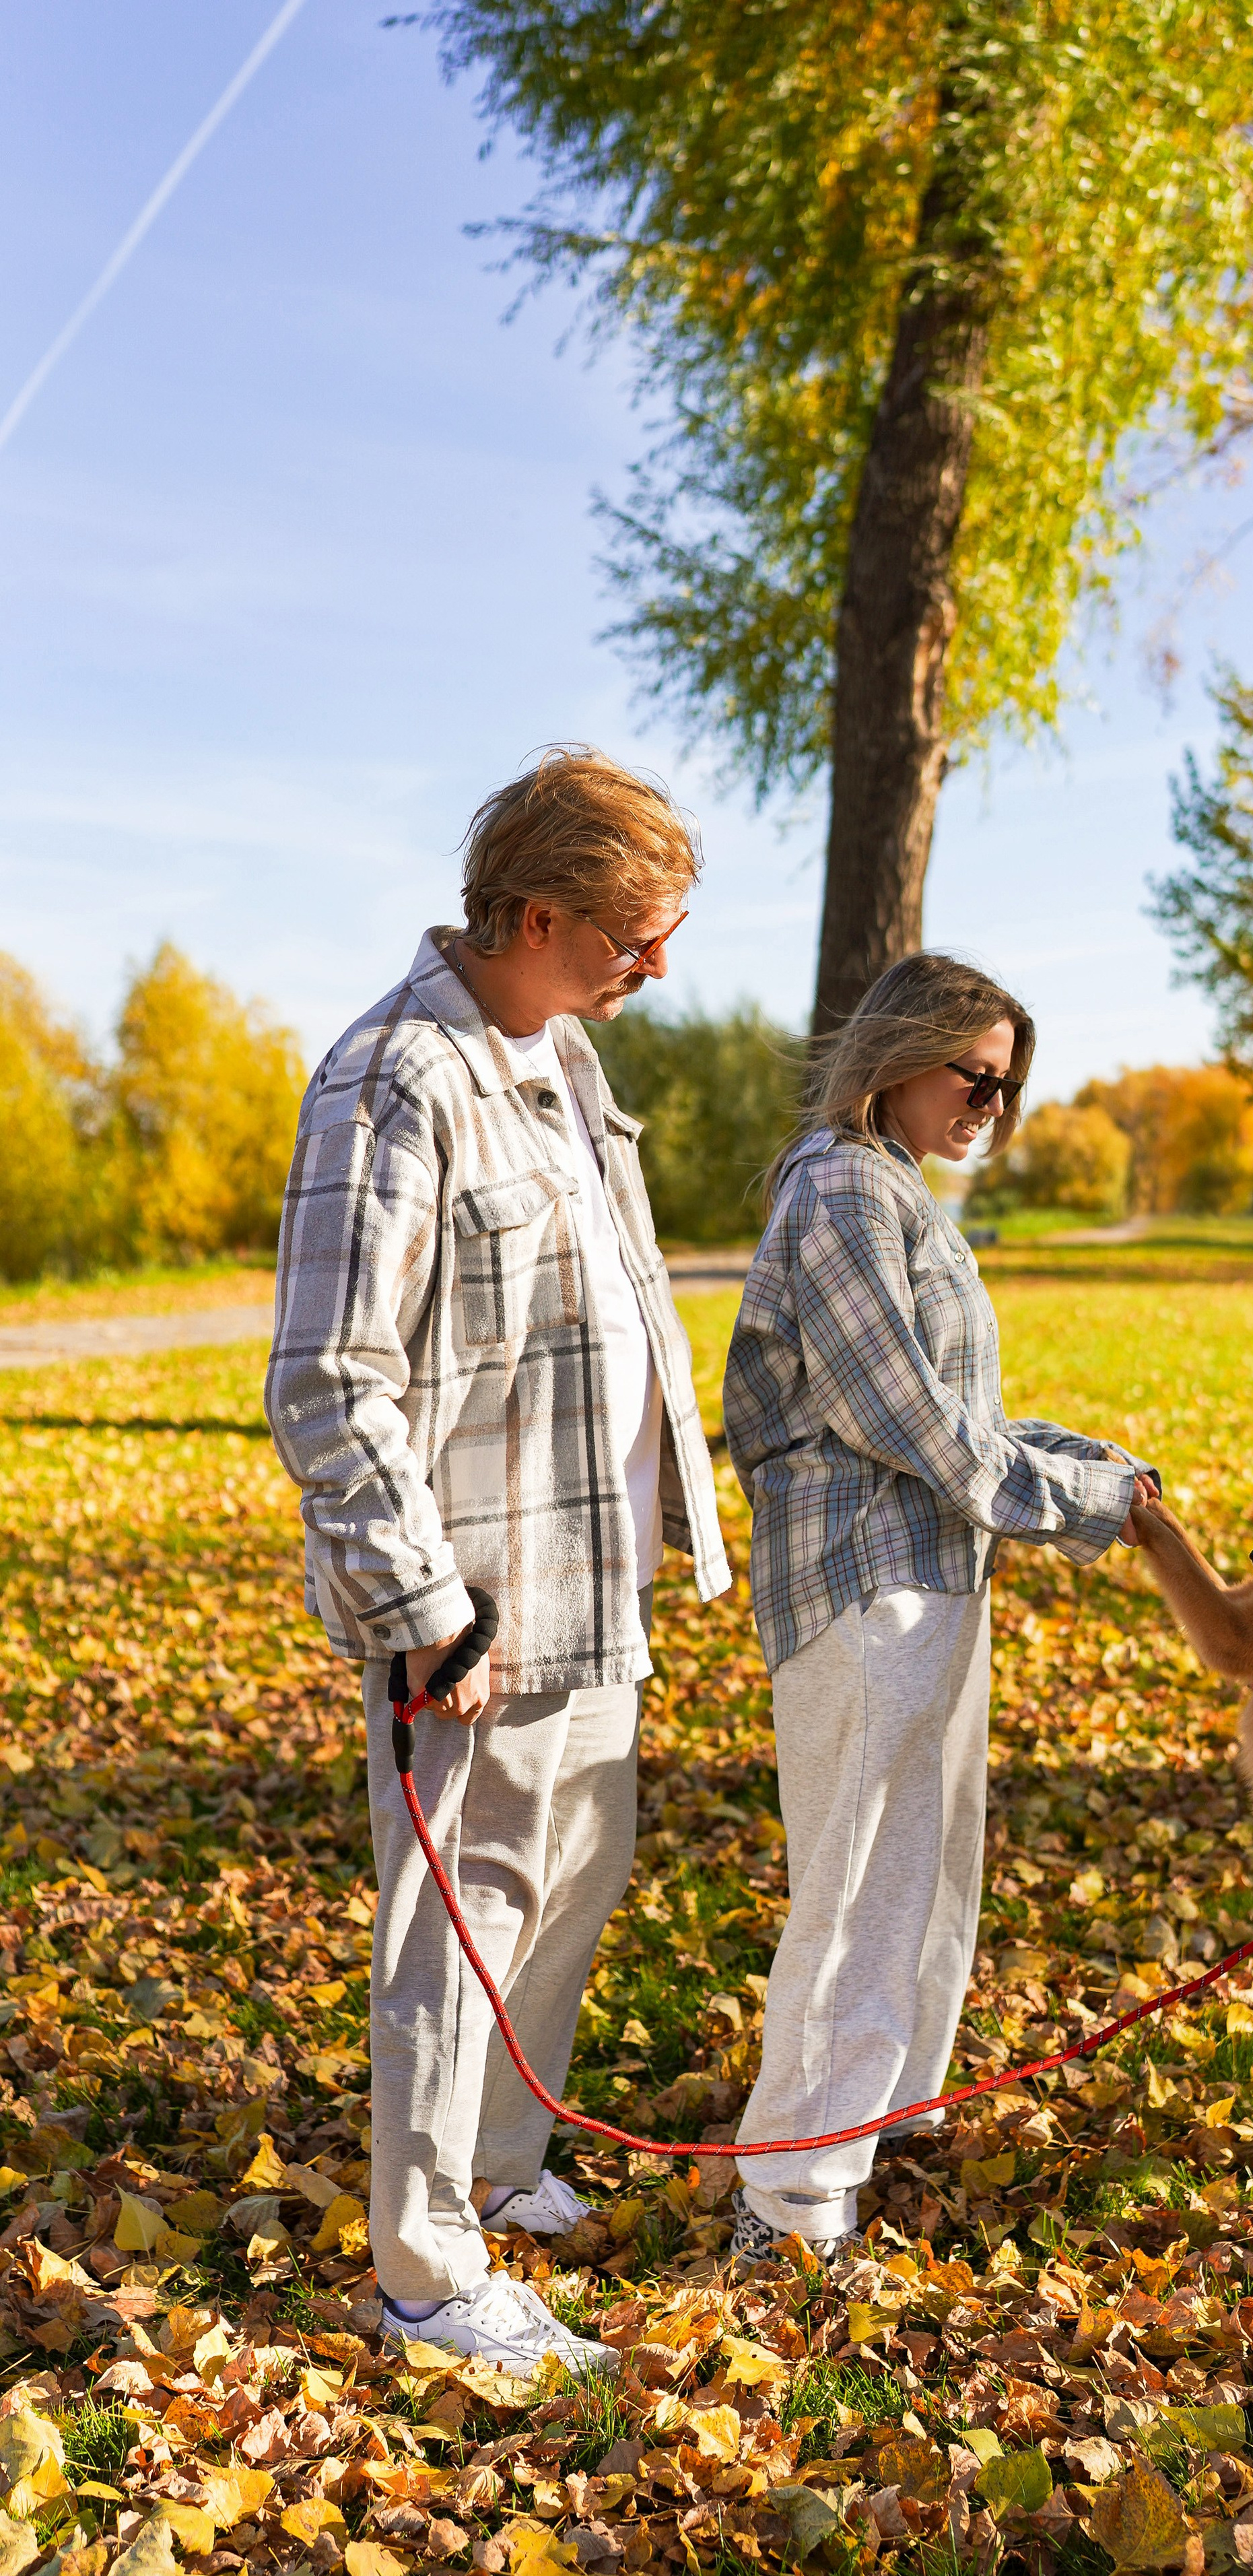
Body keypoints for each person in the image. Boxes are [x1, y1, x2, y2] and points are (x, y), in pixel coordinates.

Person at [265, 746, 729, 2374]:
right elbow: (327, 1377)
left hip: (596, 1588)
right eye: (631, 938)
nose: (655, 969)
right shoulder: (393, 1078)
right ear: (534, 913)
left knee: (565, 1893)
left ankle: (497, 2172)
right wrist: (424, 1608)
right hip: (472, 1619)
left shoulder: (565, 1063)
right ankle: (424, 2272)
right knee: (451, 1936)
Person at [722, 952, 1153, 2259]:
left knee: (920, 1874)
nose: (987, 1107)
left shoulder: (899, 1190)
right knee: (856, 1891)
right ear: (895, 1055)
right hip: (865, 1588)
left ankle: (871, 2133)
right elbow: (908, 1423)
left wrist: (1090, 1463)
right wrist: (1077, 1507)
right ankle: (788, 2209)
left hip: (930, 1576)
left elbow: (954, 1422)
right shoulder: (843, 1188)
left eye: (1006, 1090)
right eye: (971, 1076)